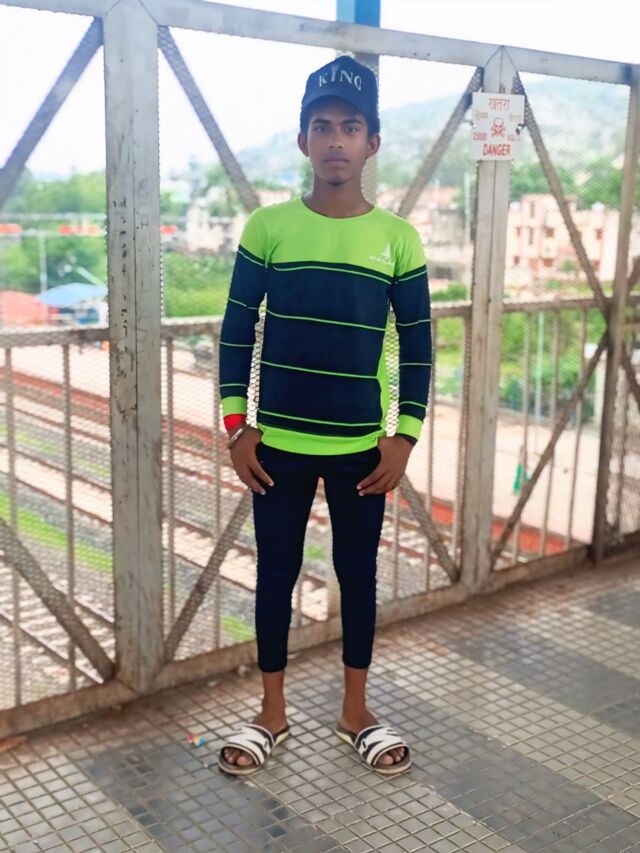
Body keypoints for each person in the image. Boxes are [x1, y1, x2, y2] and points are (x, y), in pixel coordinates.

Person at [217, 55, 431, 777]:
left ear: (373, 142)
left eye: (350, 126)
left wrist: (404, 438)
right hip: (275, 445)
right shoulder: (267, 227)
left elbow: (419, 346)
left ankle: (355, 712)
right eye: (322, 126)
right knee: (275, 574)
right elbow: (236, 332)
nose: (336, 139)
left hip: (360, 450)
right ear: (303, 139)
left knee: (357, 575)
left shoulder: (398, 238)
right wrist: (236, 427)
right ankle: (270, 714)